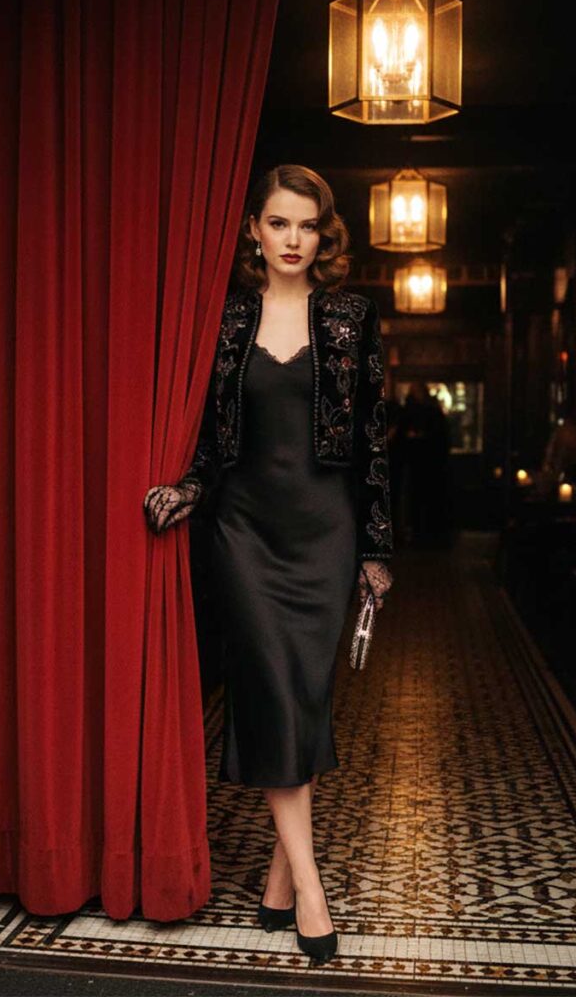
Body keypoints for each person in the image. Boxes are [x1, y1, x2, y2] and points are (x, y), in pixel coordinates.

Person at [142, 165, 394, 965]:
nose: (292, 240)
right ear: (254, 228)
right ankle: (311, 888)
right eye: (278, 224)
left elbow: (376, 439)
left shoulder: (352, 316)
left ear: (325, 235)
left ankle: (279, 885)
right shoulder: (221, 316)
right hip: (243, 533)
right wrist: (186, 486)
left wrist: (379, 548)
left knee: (307, 695)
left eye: (307, 226)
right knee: (277, 692)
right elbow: (208, 435)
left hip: (328, 530)